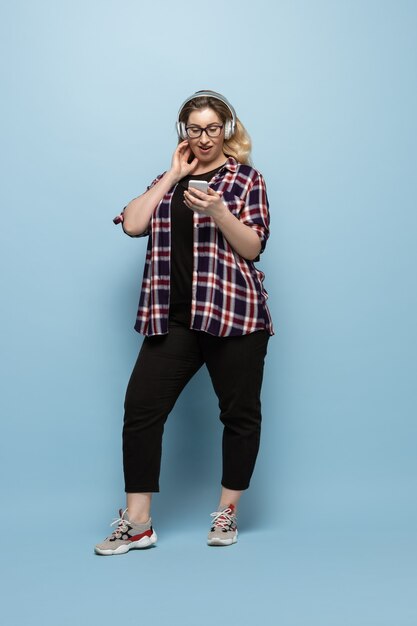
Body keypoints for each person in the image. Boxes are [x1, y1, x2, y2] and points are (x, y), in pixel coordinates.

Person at [94, 90, 274, 555]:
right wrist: (173, 174)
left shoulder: (246, 179)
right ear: (183, 133)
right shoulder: (168, 180)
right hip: (173, 319)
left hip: (233, 315)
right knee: (141, 412)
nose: (204, 137)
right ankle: (138, 524)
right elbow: (133, 224)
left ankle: (227, 511)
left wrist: (218, 210)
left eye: (213, 128)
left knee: (239, 415)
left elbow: (253, 247)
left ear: (226, 129)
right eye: (194, 129)